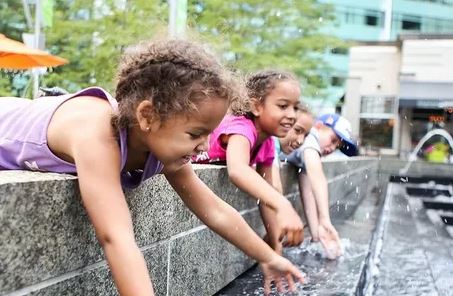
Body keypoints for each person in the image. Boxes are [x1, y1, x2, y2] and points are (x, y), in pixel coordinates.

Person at [0, 40, 304, 296]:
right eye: (195, 133)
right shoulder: (97, 134)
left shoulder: (160, 142)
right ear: (147, 115)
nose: (203, 145)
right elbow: (116, 237)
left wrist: (267, 257)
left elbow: (214, 210)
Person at [193, 69, 305, 255]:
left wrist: (276, 252)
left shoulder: (268, 141)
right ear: (256, 106)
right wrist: (283, 205)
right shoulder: (241, 128)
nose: (292, 115)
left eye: (295, 107)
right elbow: (237, 170)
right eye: (283, 106)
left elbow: (267, 194)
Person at [286, 113, 358, 259]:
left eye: (337, 146)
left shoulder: (306, 153)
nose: (332, 148)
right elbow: (317, 177)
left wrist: (317, 236)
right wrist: (325, 219)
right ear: (318, 126)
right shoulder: (310, 136)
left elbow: (308, 193)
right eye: (333, 140)